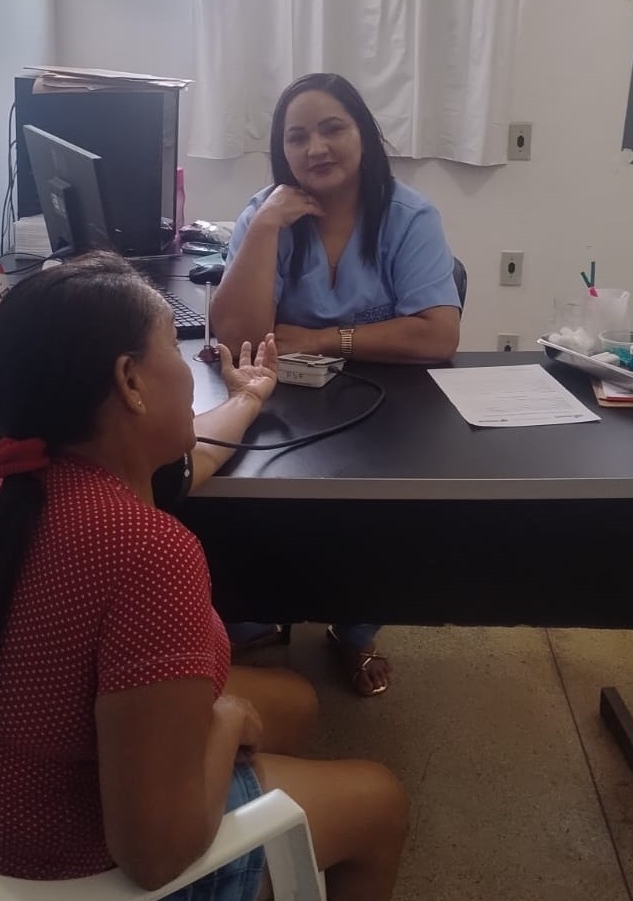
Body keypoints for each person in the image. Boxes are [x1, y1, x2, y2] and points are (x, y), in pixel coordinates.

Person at [0, 253, 408, 901]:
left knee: (294, 701)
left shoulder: (19, 483)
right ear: (130, 382)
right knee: (380, 800)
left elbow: (189, 459)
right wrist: (222, 724)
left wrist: (251, 395)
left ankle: (267, 897)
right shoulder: (147, 553)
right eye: (174, 348)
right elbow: (154, 854)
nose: (190, 371)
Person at [210, 73, 463, 698]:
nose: (315, 148)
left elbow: (438, 335)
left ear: (363, 136)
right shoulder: (265, 214)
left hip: (385, 404)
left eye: (332, 129)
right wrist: (264, 228)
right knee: (237, 494)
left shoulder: (408, 217)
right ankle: (252, 616)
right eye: (297, 137)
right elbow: (236, 335)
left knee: (371, 512)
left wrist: (324, 338)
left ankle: (354, 629)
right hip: (278, 397)